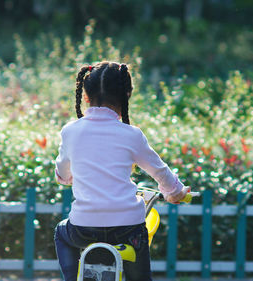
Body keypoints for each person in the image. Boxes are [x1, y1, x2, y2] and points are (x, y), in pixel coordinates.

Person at [53, 61, 189, 281]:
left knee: (62, 233)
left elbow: (63, 173)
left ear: (85, 96)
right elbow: (160, 172)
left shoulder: (71, 131)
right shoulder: (132, 135)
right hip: (128, 229)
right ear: (127, 95)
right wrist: (175, 192)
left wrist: (67, 177)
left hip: (83, 228)